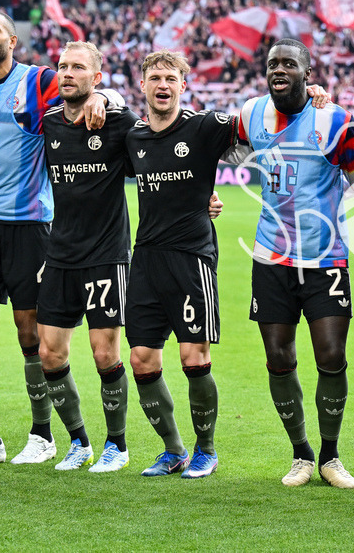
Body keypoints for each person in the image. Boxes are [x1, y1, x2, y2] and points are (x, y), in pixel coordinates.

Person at [0, 10, 108, 468]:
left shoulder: (37, 81)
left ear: (12, 41)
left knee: (30, 333)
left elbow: (82, 86)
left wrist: (100, 97)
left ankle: (42, 435)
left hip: (31, 227)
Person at [234, 39, 354, 489]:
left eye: (289, 64)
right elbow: (213, 148)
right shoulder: (250, 113)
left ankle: (331, 456)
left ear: (308, 73)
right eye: (272, 63)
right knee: (278, 357)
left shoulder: (335, 120)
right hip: (270, 257)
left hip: (325, 257)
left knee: (331, 355)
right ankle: (301, 454)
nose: (279, 69)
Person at [125, 50, 237, 479]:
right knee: (141, 359)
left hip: (191, 258)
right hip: (146, 260)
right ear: (143, 85)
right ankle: (173, 451)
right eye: (155, 77)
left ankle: (206, 450)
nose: (163, 85)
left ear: (183, 86)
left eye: (171, 78)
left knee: (194, 356)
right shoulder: (133, 137)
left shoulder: (203, 126)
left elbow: (255, 121)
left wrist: (310, 94)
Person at [37, 42, 138, 472]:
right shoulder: (48, 123)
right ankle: (79, 442)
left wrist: (109, 99)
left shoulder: (117, 122)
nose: (67, 73)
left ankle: (118, 444)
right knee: (49, 354)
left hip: (106, 255)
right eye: (62, 66)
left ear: (96, 77)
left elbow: (156, 152)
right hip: (60, 254)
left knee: (104, 353)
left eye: (78, 67)